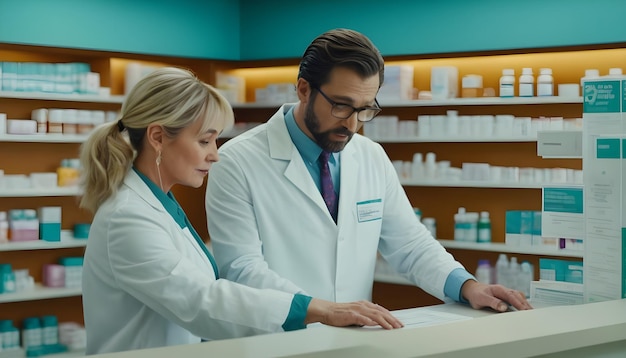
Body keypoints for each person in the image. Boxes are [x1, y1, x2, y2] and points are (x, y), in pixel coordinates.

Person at [79, 67, 402, 355]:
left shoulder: (157, 203)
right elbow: (201, 300)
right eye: (205, 141)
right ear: (159, 137)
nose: (215, 156)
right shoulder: (127, 217)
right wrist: (316, 309)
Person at [205, 29, 533, 313]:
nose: (352, 124)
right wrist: (324, 310)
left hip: (350, 341)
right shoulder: (237, 162)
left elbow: (411, 245)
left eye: (365, 109)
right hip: (274, 341)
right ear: (303, 90)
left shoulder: (370, 156)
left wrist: (467, 286)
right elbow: (241, 269)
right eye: (341, 105)